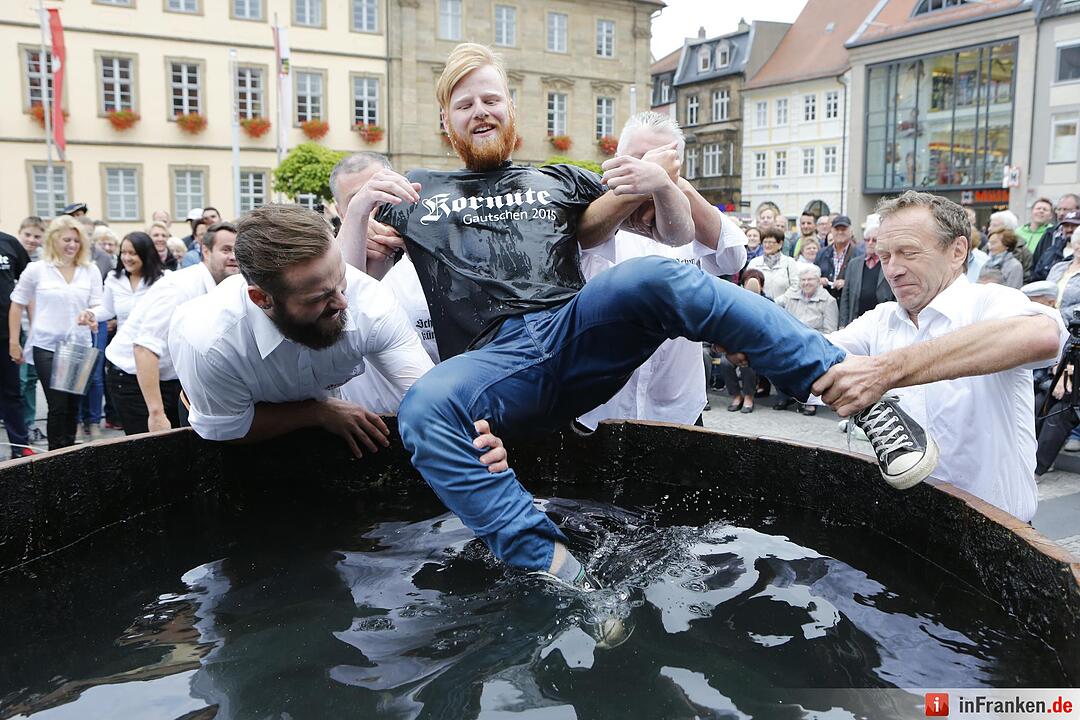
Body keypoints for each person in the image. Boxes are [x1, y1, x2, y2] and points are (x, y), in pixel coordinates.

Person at [344, 43, 935, 588]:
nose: (480, 111)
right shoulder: (416, 192)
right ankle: (554, 565)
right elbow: (347, 295)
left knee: (653, 274)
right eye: (464, 103)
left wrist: (659, 181)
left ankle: (859, 398)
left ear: (511, 109)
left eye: (491, 98)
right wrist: (358, 213)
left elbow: (674, 238)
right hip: (496, 367)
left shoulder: (560, 179)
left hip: (572, 331)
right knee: (425, 406)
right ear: (445, 120)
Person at [812, 191, 1066, 521]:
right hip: (914, 527)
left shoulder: (989, 302)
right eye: (885, 255)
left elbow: (1043, 336)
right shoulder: (880, 320)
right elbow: (813, 357)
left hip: (999, 531)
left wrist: (889, 370)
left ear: (957, 251)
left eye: (908, 253)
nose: (893, 270)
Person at [104, 223, 237, 434]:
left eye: (237, 250)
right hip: (134, 379)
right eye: (226, 249)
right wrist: (156, 414)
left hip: (171, 379)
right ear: (205, 251)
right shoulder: (180, 288)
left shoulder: (227, 286)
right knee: (152, 452)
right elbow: (144, 349)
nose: (233, 256)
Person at [7, 216, 103, 450]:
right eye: (66, 239)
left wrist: (90, 314)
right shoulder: (37, 269)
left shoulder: (90, 270)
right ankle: (55, 456)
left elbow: (100, 305)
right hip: (46, 345)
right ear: (53, 240)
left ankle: (69, 452)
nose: (72, 244)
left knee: (73, 405)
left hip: (79, 345)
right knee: (58, 403)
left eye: (76, 240)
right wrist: (13, 341)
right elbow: (17, 303)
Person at [773, 264, 838, 415]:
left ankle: (809, 400)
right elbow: (784, 321)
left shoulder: (828, 301)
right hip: (792, 341)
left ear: (818, 281)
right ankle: (785, 395)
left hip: (816, 344)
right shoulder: (791, 297)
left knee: (808, 360)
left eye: (810, 280)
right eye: (803, 280)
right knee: (775, 354)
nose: (806, 283)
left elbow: (830, 332)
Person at [0, 226, 32, 458]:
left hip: (6, 334)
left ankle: (20, 446)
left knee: (12, 392)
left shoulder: (10, 244)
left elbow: (28, 285)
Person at [718, 269, 766, 413]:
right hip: (735, 346)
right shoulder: (735, 302)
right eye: (747, 283)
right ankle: (736, 395)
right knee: (725, 362)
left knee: (748, 363)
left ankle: (749, 397)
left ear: (761, 286)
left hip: (757, 348)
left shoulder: (768, 303)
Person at [839, 217, 893, 328]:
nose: (870, 243)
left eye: (874, 240)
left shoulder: (889, 263)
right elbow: (846, 297)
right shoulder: (854, 264)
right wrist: (842, 325)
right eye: (867, 240)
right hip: (856, 321)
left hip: (882, 324)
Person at [1031, 198, 1080, 281]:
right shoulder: (1051, 251)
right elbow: (1036, 276)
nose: (1069, 229)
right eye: (1066, 226)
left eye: (1074, 226)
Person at [815, 215, 862, 301]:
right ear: (831, 231)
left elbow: (863, 281)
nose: (840, 232)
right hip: (824, 302)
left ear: (851, 231)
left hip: (848, 302)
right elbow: (813, 276)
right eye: (837, 229)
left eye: (843, 229)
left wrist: (847, 283)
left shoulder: (860, 254)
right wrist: (819, 280)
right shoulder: (821, 253)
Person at [747, 226, 799, 300]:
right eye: (765, 242)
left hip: (784, 307)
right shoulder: (754, 263)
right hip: (760, 306)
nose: (767, 245)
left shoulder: (789, 262)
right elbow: (747, 285)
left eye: (771, 242)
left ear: (780, 244)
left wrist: (779, 301)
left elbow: (795, 286)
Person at [987, 210, 1032, 281]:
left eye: (994, 225)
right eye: (990, 225)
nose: (989, 228)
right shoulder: (986, 248)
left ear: (1008, 229)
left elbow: (1026, 280)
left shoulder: (1023, 252)